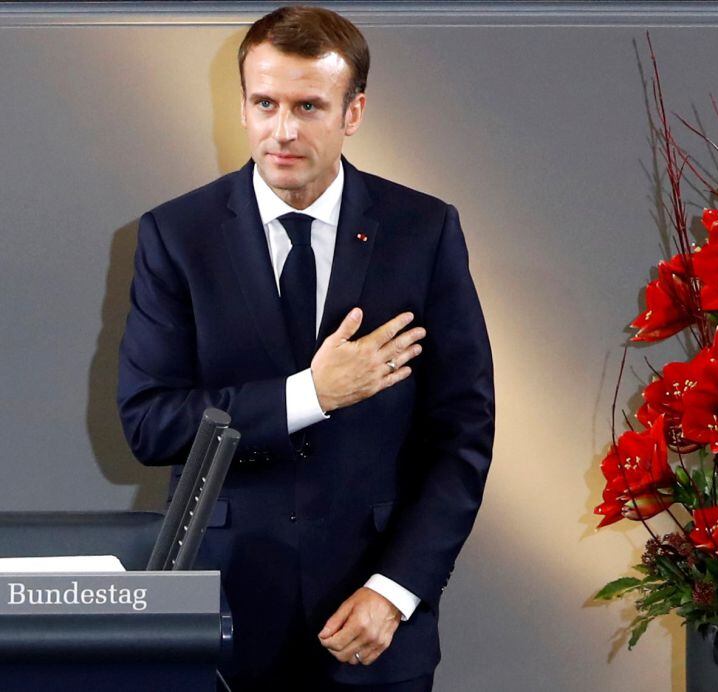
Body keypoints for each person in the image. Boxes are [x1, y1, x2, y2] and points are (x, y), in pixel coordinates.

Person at [116, 6, 495, 691]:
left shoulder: (423, 231)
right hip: (220, 619)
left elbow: (462, 434)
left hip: (374, 626)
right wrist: (311, 395)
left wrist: (397, 588)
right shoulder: (176, 236)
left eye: (308, 106)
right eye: (264, 103)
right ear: (242, 105)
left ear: (353, 113)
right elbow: (148, 423)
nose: (282, 130)